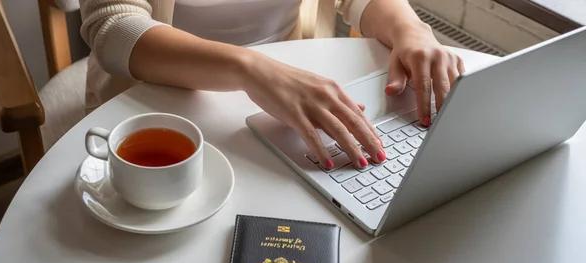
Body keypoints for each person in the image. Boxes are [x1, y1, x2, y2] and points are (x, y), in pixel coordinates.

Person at [79, 0, 465, 170]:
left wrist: (410, 30)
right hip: (155, 96)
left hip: (290, 82)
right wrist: (252, 68)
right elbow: (113, 28)